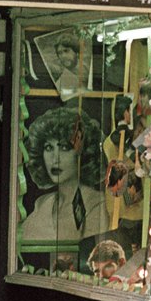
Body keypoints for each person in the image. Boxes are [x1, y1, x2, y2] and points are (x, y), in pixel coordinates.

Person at [19, 105, 108, 257]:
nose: (55, 158)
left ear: (83, 152)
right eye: (48, 147)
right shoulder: (43, 204)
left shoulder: (96, 205)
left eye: (65, 148)